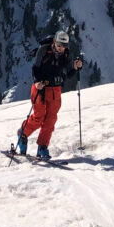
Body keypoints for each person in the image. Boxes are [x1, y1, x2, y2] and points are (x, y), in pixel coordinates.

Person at [16, 30, 83, 159]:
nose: (61, 49)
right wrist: (36, 82)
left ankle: (43, 146)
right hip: (41, 88)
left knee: (50, 119)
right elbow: (35, 68)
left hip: (56, 90)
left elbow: (67, 75)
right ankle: (22, 133)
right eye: (59, 46)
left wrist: (75, 68)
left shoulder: (67, 55)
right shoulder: (44, 51)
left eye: (64, 46)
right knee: (38, 117)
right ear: (54, 42)